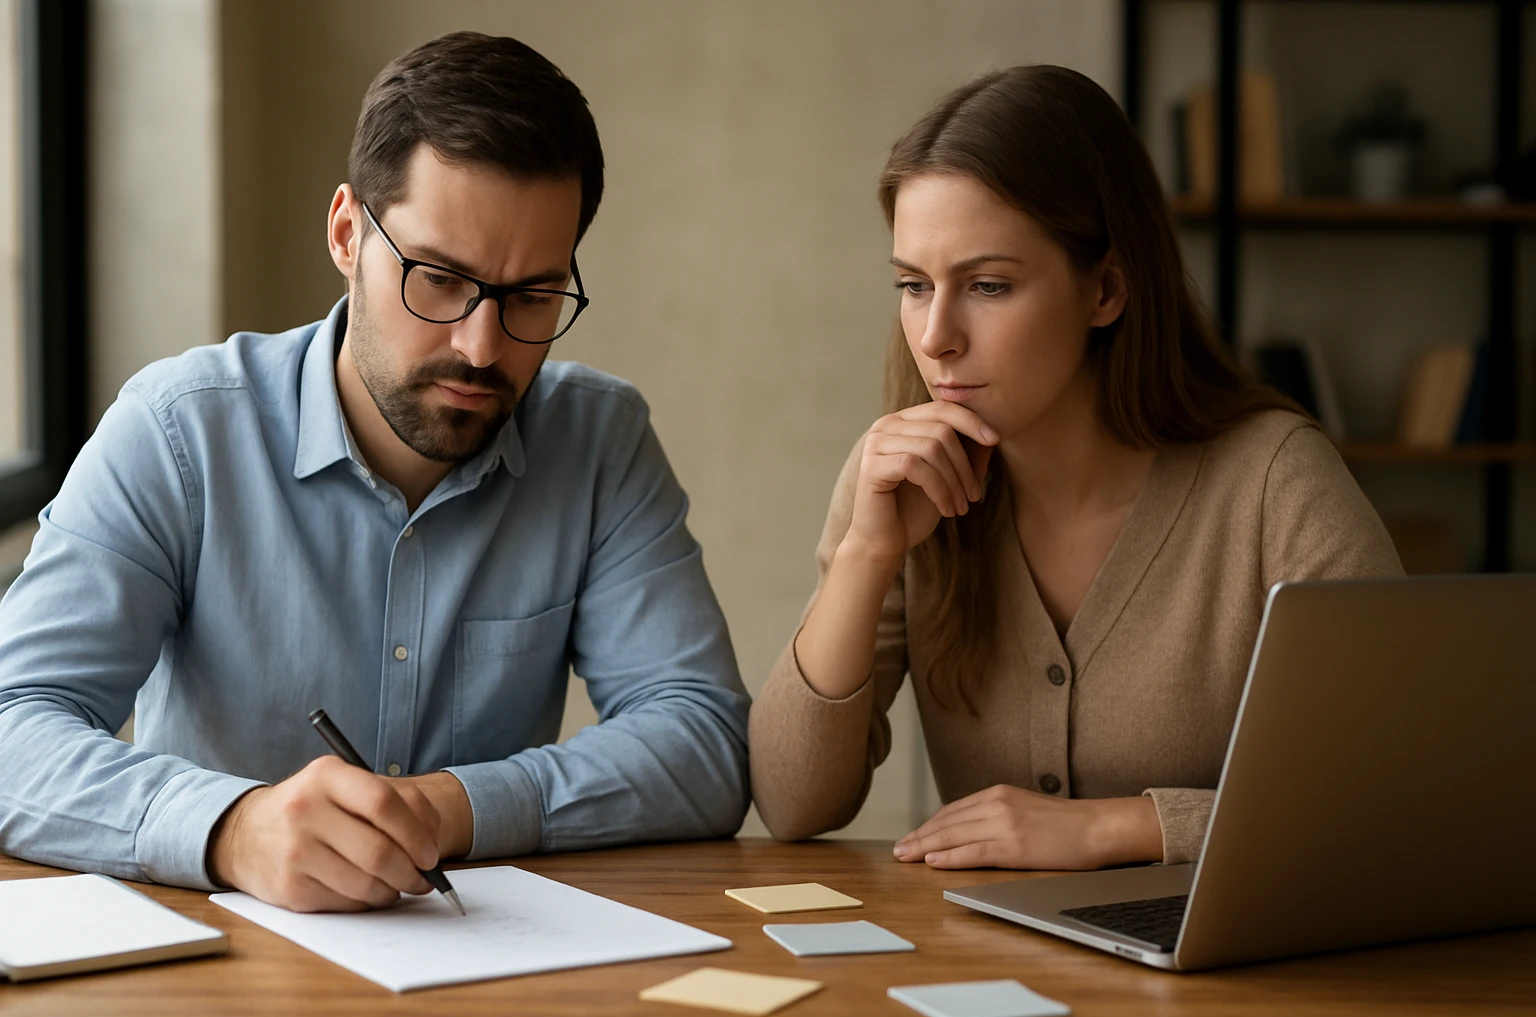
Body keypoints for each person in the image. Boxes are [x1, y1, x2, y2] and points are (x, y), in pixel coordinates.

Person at [0, 31, 750, 912]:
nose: (481, 345)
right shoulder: (178, 430)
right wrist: (235, 827)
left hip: (491, 961)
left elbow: (703, 744)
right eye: (438, 279)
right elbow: (13, 721)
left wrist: (447, 808)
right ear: (348, 234)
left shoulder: (600, 440)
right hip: (217, 969)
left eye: (533, 298)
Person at [748, 65, 1402, 871]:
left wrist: (1117, 828)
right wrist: (865, 557)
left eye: (987, 285)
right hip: (994, 974)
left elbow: (1393, 802)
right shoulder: (899, 476)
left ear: (1106, 289)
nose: (936, 336)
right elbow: (790, 802)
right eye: (914, 286)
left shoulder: (1274, 482)